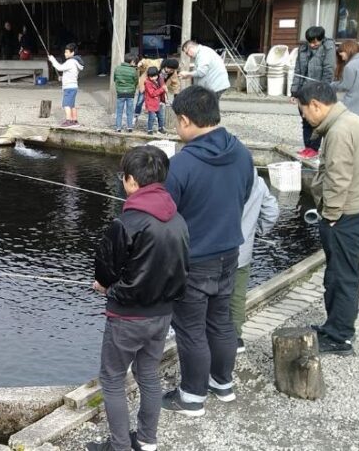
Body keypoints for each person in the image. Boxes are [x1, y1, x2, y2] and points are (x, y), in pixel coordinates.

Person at [87, 145, 189, 451]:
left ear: (131, 180)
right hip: (162, 315)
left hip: (127, 316)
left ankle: (119, 446)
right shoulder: (178, 219)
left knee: (113, 378)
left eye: (123, 177)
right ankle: (147, 441)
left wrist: (106, 287)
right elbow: (182, 267)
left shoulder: (126, 223)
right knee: (148, 374)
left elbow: (105, 271)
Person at [162, 85, 254, 417]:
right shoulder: (242, 152)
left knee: (190, 328)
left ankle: (192, 397)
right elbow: (243, 195)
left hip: (194, 259)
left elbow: (165, 216)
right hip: (229, 252)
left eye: (176, 121)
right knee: (221, 320)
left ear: (185, 120)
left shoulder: (181, 164)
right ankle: (222, 383)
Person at [298, 81, 359, 355]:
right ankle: (335, 324)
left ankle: (339, 336)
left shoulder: (339, 132)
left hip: (347, 214)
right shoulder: (352, 120)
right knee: (344, 272)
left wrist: (331, 216)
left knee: (341, 276)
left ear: (316, 106)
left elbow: (337, 177)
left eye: (304, 112)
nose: (305, 118)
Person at [231, 172, 279, 354]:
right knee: (237, 297)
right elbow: (271, 211)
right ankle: (236, 338)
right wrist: (258, 231)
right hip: (242, 250)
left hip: (212, 251)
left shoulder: (213, 176)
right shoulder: (256, 180)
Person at [291, 26, 336, 159]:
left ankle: (314, 148)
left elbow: (329, 71)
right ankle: (307, 147)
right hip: (304, 90)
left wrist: (321, 91)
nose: (312, 45)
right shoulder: (303, 49)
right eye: (310, 42)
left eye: (315, 42)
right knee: (305, 119)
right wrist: (294, 92)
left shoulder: (328, 48)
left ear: (321, 39)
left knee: (316, 121)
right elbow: (298, 71)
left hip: (318, 90)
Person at [48, 42, 84, 127]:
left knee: (66, 105)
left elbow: (59, 67)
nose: (65, 54)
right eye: (65, 52)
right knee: (72, 105)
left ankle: (69, 121)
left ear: (72, 53)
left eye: (67, 52)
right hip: (73, 86)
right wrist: (62, 78)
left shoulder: (71, 62)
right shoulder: (75, 62)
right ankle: (75, 121)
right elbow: (70, 74)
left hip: (69, 87)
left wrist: (52, 59)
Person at [114, 53, 138, 132]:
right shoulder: (134, 70)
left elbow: (115, 79)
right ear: (132, 61)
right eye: (135, 62)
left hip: (120, 93)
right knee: (129, 111)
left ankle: (118, 128)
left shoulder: (117, 68)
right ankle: (130, 127)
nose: (135, 63)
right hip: (130, 93)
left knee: (119, 111)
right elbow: (136, 82)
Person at [144, 66, 167, 135]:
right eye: (151, 77)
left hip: (158, 102)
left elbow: (163, 86)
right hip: (151, 102)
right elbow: (152, 94)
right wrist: (162, 89)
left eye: (155, 76)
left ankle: (160, 128)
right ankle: (150, 129)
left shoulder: (159, 79)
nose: (153, 78)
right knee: (152, 117)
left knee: (161, 116)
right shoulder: (147, 83)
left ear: (157, 75)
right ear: (148, 76)